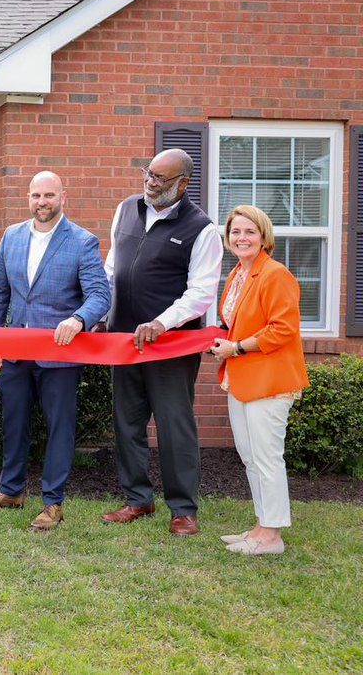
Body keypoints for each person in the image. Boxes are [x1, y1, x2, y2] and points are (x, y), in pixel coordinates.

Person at [0, 171, 110, 531]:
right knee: (14, 423)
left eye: (49, 195)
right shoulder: (12, 236)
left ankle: (52, 503)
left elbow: (100, 295)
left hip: (61, 356)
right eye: (36, 195)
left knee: (59, 428)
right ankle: (11, 490)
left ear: (63, 197)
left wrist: (79, 319)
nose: (42, 202)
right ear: (28, 197)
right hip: (16, 351)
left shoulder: (82, 241)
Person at [100, 149, 221, 536]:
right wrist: (101, 314)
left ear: (183, 184)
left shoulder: (202, 229)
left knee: (174, 426)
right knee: (127, 423)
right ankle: (138, 499)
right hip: (123, 340)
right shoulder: (126, 209)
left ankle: (183, 509)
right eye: (148, 174)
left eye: (161, 179)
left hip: (171, 346)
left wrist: (161, 322)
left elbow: (201, 293)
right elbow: (112, 268)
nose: (151, 183)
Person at [209, 206, 308, 556]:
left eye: (250, 232)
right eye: (235, 232)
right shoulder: (239, 273)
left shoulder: (275, 274)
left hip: (269, 382)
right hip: (241, 380)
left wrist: (235, 348)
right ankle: (261, 525)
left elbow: (282, 329)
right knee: (250, 456)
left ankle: (272, 536)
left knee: (266, 457)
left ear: (264, 236)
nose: (242, 238)